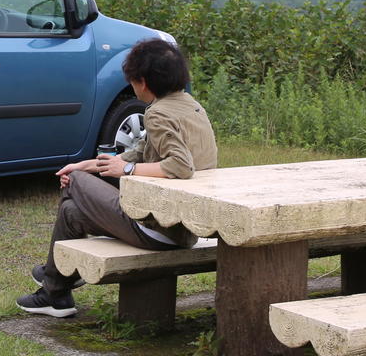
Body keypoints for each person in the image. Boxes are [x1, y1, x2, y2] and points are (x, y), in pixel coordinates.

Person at [17, 37, 217, 317]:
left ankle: (59, 278)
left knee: (73, 183)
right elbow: (145, 150)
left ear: (143, 82)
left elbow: (181, 166)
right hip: (185, 227)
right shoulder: (189, 105)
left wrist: (126, 171)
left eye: (132, 80)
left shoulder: (158, 113)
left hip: (158, 229)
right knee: (71, 211)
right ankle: (57, 291)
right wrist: (91, 165)